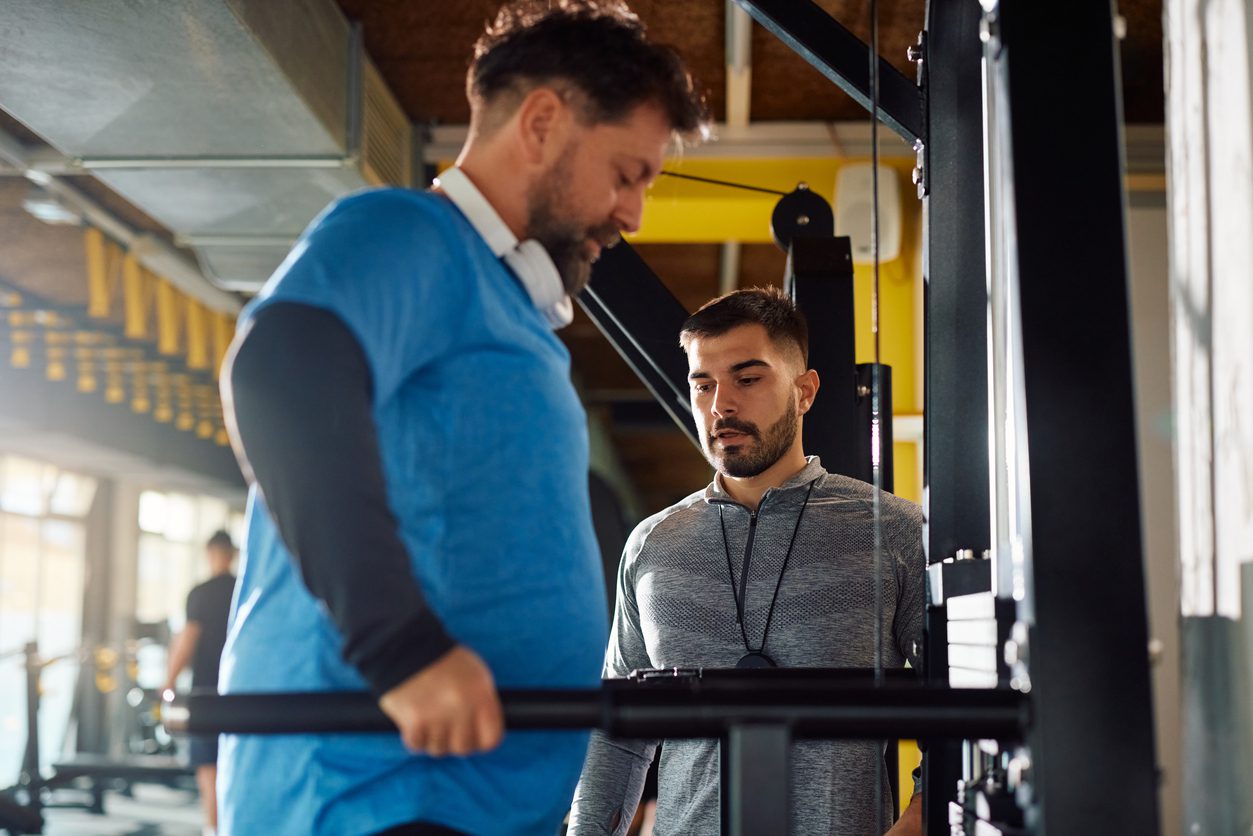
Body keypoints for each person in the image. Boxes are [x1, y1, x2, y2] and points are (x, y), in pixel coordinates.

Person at [215, 2, 709, 834]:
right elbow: (282, 369)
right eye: (627, 174)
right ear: (543, 123)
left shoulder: (506, 307)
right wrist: (401, 652)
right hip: (376, 792)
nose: (633, 215)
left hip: (462, 799)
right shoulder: (412, 234)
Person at [567, 287, 926, 836]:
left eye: (748, 378)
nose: (720, 405)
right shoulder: (653, 545)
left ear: (805, 392)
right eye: (703, 385)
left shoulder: (893, 532)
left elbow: (957, 717)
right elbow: (618, 735)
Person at [163, 530, 237, 834]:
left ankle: (214, 828)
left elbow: (188, 639)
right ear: (232, 554)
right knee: (236, 763)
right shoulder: (245, 589)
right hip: (241, 691)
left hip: (206, 693)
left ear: (209, 554)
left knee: (209, 767)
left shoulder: (201, 593)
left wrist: (167, 682)